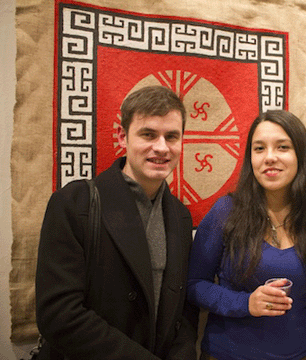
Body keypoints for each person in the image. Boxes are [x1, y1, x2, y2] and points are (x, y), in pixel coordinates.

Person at [36, 85, 198, 359]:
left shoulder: (181, 216)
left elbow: (183, 309)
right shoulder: (75, 203)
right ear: (122, 137)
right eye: (148, 134)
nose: (161, 147)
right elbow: (58, 314)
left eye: (171, 136)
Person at [187, 110, 306, 360]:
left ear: (301, 156)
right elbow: (194, 286)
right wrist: (246, 303)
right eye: (259, 149)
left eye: (282, 147)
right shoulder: (225, 212)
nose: (269, 157)